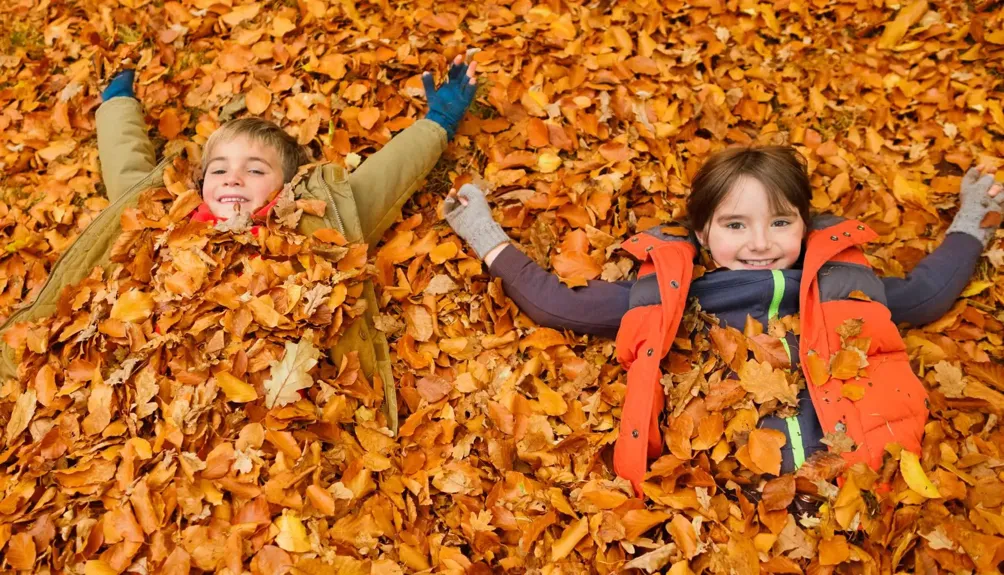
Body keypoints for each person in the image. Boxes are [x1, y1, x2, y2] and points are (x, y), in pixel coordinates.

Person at [443, 146, 1004, 495]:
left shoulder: (847, 286)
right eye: (736, 225)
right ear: (702, 234)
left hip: (858, 482)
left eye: (780, 222)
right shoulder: (678, 294)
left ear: (805, 227)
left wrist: (974, 222)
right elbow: (561, 306)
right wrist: (485, 236)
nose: (760, 243)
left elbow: (926, 295)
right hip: (724, 489)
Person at [0, 58, 479, 433]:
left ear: (286, 188)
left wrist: (440, 118)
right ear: (200, 180)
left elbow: (382, 179)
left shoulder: (314, 228)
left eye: (255, 169)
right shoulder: (166, 217)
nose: (233, 177)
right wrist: (117, 102)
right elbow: (125, 168)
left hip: (254, 392)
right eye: (220, 168)